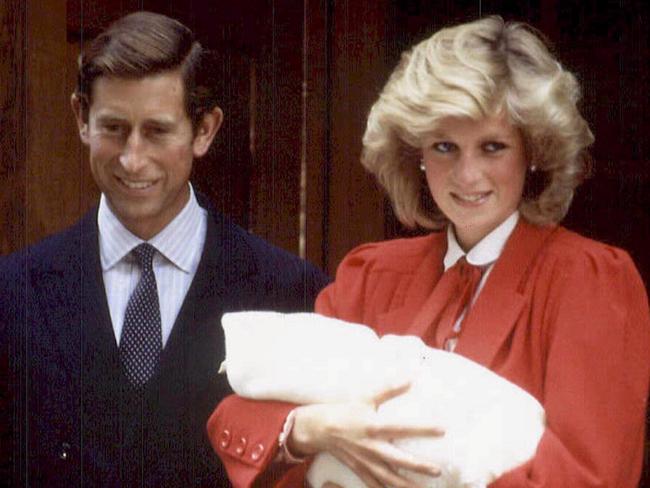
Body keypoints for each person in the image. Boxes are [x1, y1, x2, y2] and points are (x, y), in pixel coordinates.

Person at [207, 15, 650, 488]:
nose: (467, 175)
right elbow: (235, 416)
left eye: (493, 147)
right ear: (415, 153)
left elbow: (591, 477)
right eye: (444, 147)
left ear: (533, 150)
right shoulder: (371, 274)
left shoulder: (588, 280)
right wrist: (310, 430)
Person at [0, 11, 329, 487]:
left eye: (157, 131)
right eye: (114, 128)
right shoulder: (13, 293)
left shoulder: (291, 293)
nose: (133, 158)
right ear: (81, 118)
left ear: (205, 130)